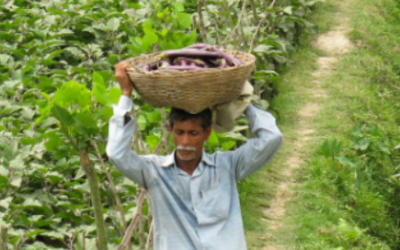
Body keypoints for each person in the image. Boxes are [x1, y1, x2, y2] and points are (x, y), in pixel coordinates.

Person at [106, 62, 283, 250]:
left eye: (193, 133)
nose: (185, 142)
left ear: (207, 133)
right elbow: (117, 153)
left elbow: (272, 138)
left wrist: (242, 100)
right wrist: (126, 94)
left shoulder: (227, 166)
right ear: (170, 130)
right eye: (179, 132)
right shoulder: (154, 172)